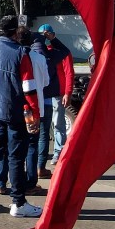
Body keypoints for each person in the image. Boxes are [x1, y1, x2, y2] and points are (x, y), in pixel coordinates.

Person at [0, 16, 43, 218]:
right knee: (15, 157)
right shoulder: (21, 53)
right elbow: (28, 88)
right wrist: (35, 114)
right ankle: (18, 203)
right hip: (14, 112)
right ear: (15, 32)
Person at [38, 24, 74, 166]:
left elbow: (69, 72)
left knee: (58, 124)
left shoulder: (60, 52)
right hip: (45, 93)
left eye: (48, 35)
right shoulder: (41, 51)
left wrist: (67, 92)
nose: (45, 38)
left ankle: (59, 153)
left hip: (58, 93)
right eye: (43, 35)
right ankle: (43, 154)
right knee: (44, 126)